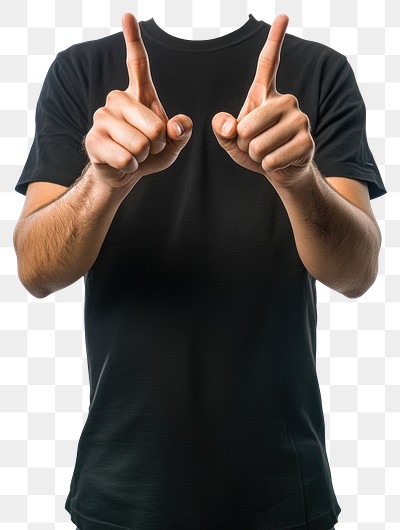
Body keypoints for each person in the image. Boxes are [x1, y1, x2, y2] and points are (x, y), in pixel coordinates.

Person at [13, 11, 386, 530]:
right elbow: (36, 271)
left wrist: (298, 178)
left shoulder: (321, 69)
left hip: (281, 492)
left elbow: (357, 272)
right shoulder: (82, 69)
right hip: (121, 487)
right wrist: (104, 181)